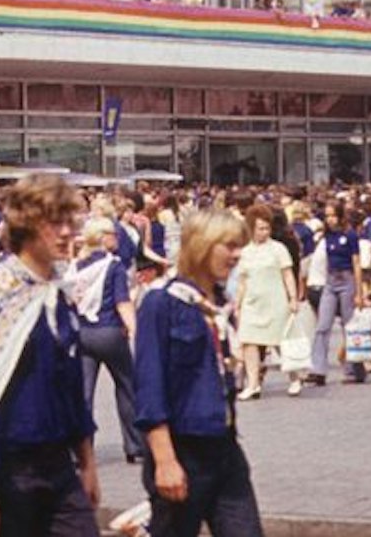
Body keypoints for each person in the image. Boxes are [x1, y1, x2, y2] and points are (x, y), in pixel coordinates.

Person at [0, 177, 98, 537]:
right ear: (27, 227)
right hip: (9, 469)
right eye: (55, 223)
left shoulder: (59, 293)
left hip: (58, 464)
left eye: (71, 222)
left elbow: (72, 387)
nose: (67, 233)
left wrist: (87, 461)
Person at [132, 208, 264, 537]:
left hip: (224, 449)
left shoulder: (220, 306)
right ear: (202, 246)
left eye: (239, 247)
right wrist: (164, 460)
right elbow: (149, 386)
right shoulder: (161, 303)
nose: (236, 255)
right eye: (229, 246)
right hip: (182, 451)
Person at [68, 217, 144, 461]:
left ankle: (81, 449)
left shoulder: (76, 267)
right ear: (101, 237)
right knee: (127, 386)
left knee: (84, 393)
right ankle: (135, 445)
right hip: (109, 331)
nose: (117, 237)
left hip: (83, 332)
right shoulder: (114, 266)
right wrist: (135, 331)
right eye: (112, 233)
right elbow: (123, 302)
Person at [232, 205, 299, 400]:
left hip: (275, 301)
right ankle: (252, 384)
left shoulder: (278, 249)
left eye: (267, 228)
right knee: (249, 342)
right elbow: (242, 281)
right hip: (252, 303)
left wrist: (293, 298)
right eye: (260, 228)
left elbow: (288, 275)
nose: (264, 232)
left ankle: (294, 377)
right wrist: (237, 303)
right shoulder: (245, 252)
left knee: (281, 342)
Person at [304, 200, 363, 386]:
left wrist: (359, 292)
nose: (329, 219)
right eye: (327, 216)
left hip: (347, 280)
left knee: (350, 326)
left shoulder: (350, 235)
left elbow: (356, 264)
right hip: (330, 281)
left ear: (340, 215)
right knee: (322, 325)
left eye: (332, 215)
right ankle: (318, 369)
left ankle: (354, 369)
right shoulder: (326, 236)